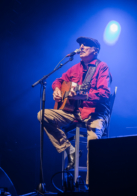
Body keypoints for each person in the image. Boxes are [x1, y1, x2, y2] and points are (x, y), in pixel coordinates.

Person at [37, 36, 112, 186]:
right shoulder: (75, 68)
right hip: (74, 113)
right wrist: (57, 89)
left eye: (86, 45)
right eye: (81, 45)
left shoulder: (102, 67)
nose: (82, 47)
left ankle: (92, 187)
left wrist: (84, 96)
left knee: (93, 142)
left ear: (95, 50)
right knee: (43, 115)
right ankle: (69, 150)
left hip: (95, 113)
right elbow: (58, 80)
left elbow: (105, 94)